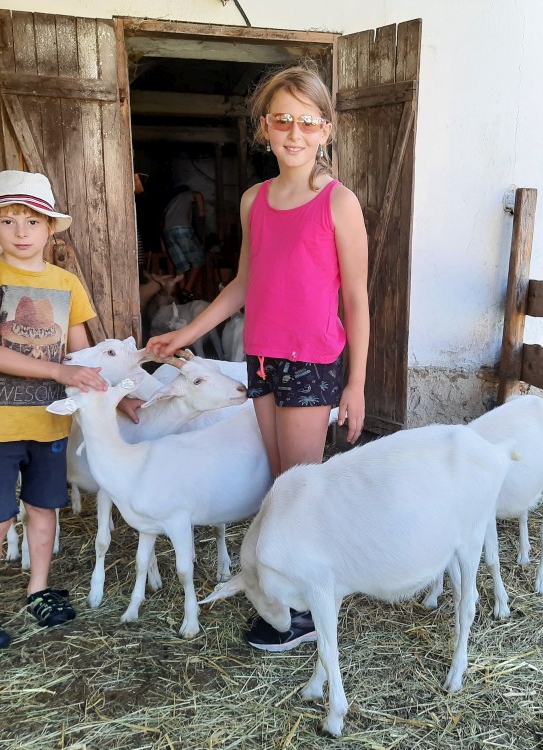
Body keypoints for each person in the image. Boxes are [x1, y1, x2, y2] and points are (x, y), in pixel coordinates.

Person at [146, 64, 370, 651]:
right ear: (264, 127)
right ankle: (291, 595)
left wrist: (356, 384)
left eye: (307, 122)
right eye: (282, 120)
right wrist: (185, 333)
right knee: (279, 483)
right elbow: (243, 283)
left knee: (300, 489)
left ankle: (306, 608)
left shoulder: (339, 203)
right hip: (263, 357)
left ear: (326, 130)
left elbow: (356, 298)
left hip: (312, 361)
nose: (294, 133)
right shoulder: (254, 201)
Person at [0, 170, 109, 655]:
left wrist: (119, 393)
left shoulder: (66, 283)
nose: (21, 232)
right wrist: (59, 371)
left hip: (49, 423)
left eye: (33, 221)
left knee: (43, 510)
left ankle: (39, 589)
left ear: (50, 228)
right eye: (9, 221)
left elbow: (82, 355)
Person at [162, 184, 207, 302]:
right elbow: (198, 195)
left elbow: (162, 223)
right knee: (199, 260)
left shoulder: (171, 203)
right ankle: (187, 290)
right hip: (181, 228)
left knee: (181, 265)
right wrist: (202, 212)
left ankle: (183, 296)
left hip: (168, 232)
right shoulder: (185, 195)